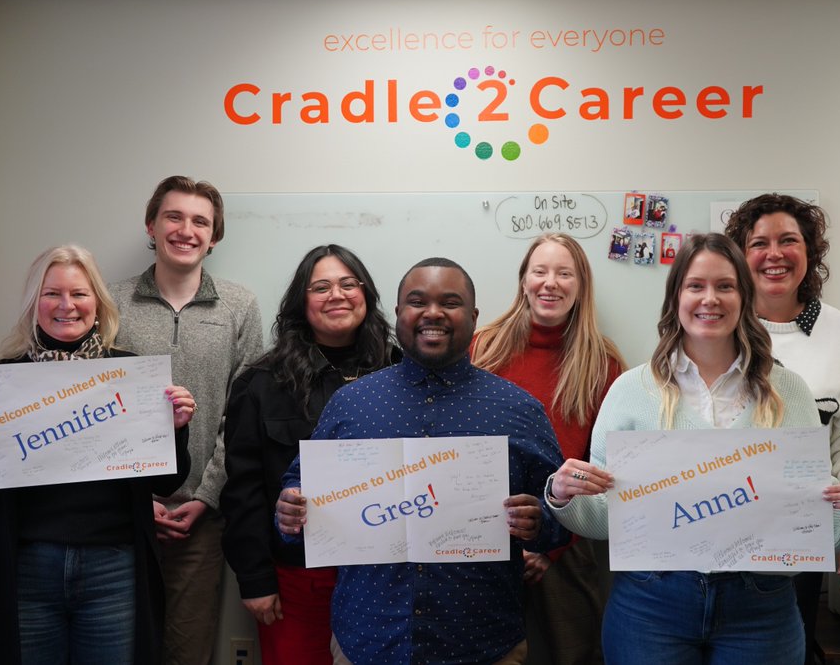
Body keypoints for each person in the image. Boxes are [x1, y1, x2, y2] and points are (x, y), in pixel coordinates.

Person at [544, 234, 840, 664]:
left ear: (744, 297)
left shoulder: (790, 392)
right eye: (695, 285)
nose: (711, 299)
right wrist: (562, 496)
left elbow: (812, 522)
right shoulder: (630, 391)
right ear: (675, 298)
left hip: (761, 607)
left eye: (725, 286)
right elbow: (602, 519)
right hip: (651, 604)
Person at [275, 257, 570, 665]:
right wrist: (290, 509)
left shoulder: (518, 410)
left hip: (483, 645)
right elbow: (299, 489)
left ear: (473, 316)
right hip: (367, 641)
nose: (433, 313)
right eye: (417, 302)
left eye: (450, 302)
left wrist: (540, 520)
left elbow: (561, 512)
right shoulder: (352, 405)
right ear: (398, 314)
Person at [0, 244, 195, 665]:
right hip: (26, 569)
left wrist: (175, 431)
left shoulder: (132, 375)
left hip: (113, 567)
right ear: (33, 304)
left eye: (79, 293)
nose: (66, 306)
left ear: (97, 303)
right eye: (52, 294)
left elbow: (166, 483)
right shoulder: (2, 380)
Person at [725, 193, 840, 663]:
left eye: (788, 241)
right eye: (759, 243)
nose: (774, 254)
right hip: (717, 530)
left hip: (803, 537)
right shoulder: (715, 326)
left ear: (810, 252)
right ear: (740, 255)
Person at [109, 175, 264, 665]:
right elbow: (95, 411)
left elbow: (242, 416)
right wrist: (135, 500)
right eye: (173, 217)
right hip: (118, 514)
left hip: (201, 518)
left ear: (214, 236)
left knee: (186, 651)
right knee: (116, 647)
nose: (186, 229)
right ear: (151, 225)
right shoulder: (108, 303)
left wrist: (204, 498)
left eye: (201, 221)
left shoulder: (240, 305)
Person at [221, 244, 399, 665]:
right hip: (299, 580)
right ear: (302, 301)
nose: (336, 295)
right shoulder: (262, 384)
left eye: (347, 284)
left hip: (387, 575)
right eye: (321, 287)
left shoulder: (403, 372)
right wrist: (255, 579)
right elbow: (243, 489)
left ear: (366, 294)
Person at [471, 233, 626, 665]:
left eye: (564, 273)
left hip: (564, 549)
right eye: (539, 271)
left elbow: (607, 467)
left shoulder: (603, 363)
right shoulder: (480, 348)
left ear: (581, 286)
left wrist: (549, 545)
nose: (550, 283)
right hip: (475, 538)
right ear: (523, 280)